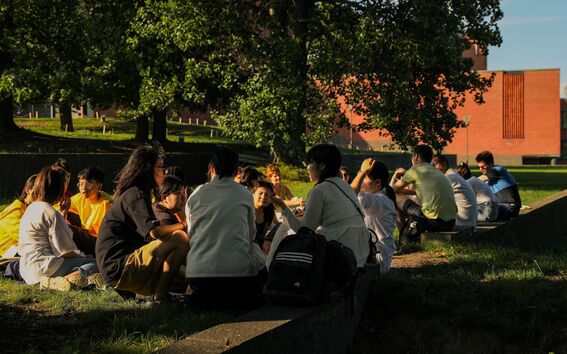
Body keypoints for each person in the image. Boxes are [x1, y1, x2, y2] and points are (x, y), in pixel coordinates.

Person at [96, 144, 189, 302]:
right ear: (147, 169)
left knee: (180, 278)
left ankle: (168, 292)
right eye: (160, 167)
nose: (164, 172)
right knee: (179, 238)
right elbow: (155, 232)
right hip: (118, 267)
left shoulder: (136, 193)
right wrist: (185, 224)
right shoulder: (136, 194)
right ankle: (160, 298)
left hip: (119, 265)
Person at [185, 147, 266, 309]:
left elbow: (191, 232)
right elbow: (251, 233)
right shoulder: (244, 194)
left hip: (199, 274)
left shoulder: (196, 194)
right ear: (236, 171)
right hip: (238, 275)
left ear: (212, 168)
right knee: (257, 252)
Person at [272, 144, 370, 267]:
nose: (307, 167)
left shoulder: (319, 190)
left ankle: (269, 269)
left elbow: (304, 231)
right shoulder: (345, 186)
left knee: (285, 232)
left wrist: (284, 208)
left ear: (322, 166)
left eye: (310, 162)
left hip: (340, 259)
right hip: (360, 254)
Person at [19, 166, 99, 291]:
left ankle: (58, 280)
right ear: (59, 190)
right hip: (47, 268)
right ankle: (64, 281)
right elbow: (66, 251)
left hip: (27, 271)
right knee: (99, 264)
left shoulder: (30, 210)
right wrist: (85, 258)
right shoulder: (51, 212)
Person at [391, 145, 457, 241]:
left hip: (433, 222)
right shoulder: (437, 172)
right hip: (450, 222)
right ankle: (405, 235)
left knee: (395, 196)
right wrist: (403, 191)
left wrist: (394, 177)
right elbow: (420, 192)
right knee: (399, 194)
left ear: (416, 157)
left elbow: (391, 190)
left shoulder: (415, 170)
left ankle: (403, 238)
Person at [350, 158, 397, 273]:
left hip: (377, 261)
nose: (361, 180)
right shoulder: (377, 199)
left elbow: (351, 191)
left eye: (365, 177)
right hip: (371, 255)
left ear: (377, 182)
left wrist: (362, 172)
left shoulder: (380, 202)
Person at [67, 166, 113, 256]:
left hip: (100, 242)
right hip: (87, 235)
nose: (83, 188)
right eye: (81, 184)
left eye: (88, 184)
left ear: (99, 186)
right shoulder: (79, 198)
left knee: (72, 230)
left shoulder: (106, 203)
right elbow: (56, 209)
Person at [431, 154, 478, 229]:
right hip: (468, 222)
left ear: (444, 165)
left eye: (434, 165)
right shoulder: (452, 175)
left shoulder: (449, 178)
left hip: (463, 224)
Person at [475, 150, 522, 219]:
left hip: (510, 207)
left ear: (491, 164)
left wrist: (463, 183)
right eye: (479, 167)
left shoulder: (497, 170)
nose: (480, 169)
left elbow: (475, 181)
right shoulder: (489, 178)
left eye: (483, 166)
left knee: (473, 213)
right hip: (503, 207)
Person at [0, 174, 37, 257]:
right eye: (37, 192)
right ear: (27, 191)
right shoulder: (15, 212)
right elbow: (29, 239)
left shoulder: (30, 210)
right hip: (5, 256)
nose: (41, 196)